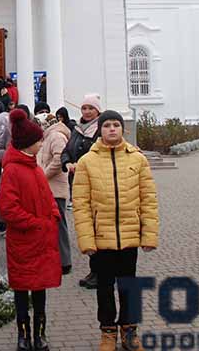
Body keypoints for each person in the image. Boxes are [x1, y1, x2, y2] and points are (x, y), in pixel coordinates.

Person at [72, 110, 158, 351]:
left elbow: (148, 199)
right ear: (100, 129)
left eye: (116, 125)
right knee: (105, 288)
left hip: (129, 237)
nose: (112, 129)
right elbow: (81, 204)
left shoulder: (137, 159)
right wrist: (87, 240)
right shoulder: (87, 162)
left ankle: (129, 331)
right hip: (102, 239)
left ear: (123, 129)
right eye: (107, 125)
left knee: (128, 286)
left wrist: (148, 234)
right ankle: (107, 332)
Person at [0, 109, 61, 351]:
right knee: (23, 292)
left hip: (40, 241)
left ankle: (40, 334)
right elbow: (8, 208)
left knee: (40, 291)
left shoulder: (33, 167)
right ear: (29, 144)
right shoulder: (14, 169)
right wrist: (36, 224)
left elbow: (47, 197)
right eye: (39, 140)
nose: (42, 143)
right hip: (24, 241)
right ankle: (23, 335)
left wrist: (53, 214)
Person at [61, 93, 102, 289]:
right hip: (78, 183)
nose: (86, 111)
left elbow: (101, 155)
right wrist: (67, 162)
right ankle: (94, 269)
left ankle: (101, 272)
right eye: (84, 108)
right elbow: (67, 150)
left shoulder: (101, 130)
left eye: (90, 108)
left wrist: (83, 165)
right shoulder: (77, 129)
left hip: (97, 185)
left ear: (98, 111)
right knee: (87, 228)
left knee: (99, 229)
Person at [36, 114, 73, 275]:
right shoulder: (47, 137)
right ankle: (55, 259)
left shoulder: (56, 136)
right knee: (51, 225)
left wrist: (42, 176)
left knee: (59, 225)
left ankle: (65, 262)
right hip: (48, 187)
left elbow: (58, 160)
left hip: (55, 188)